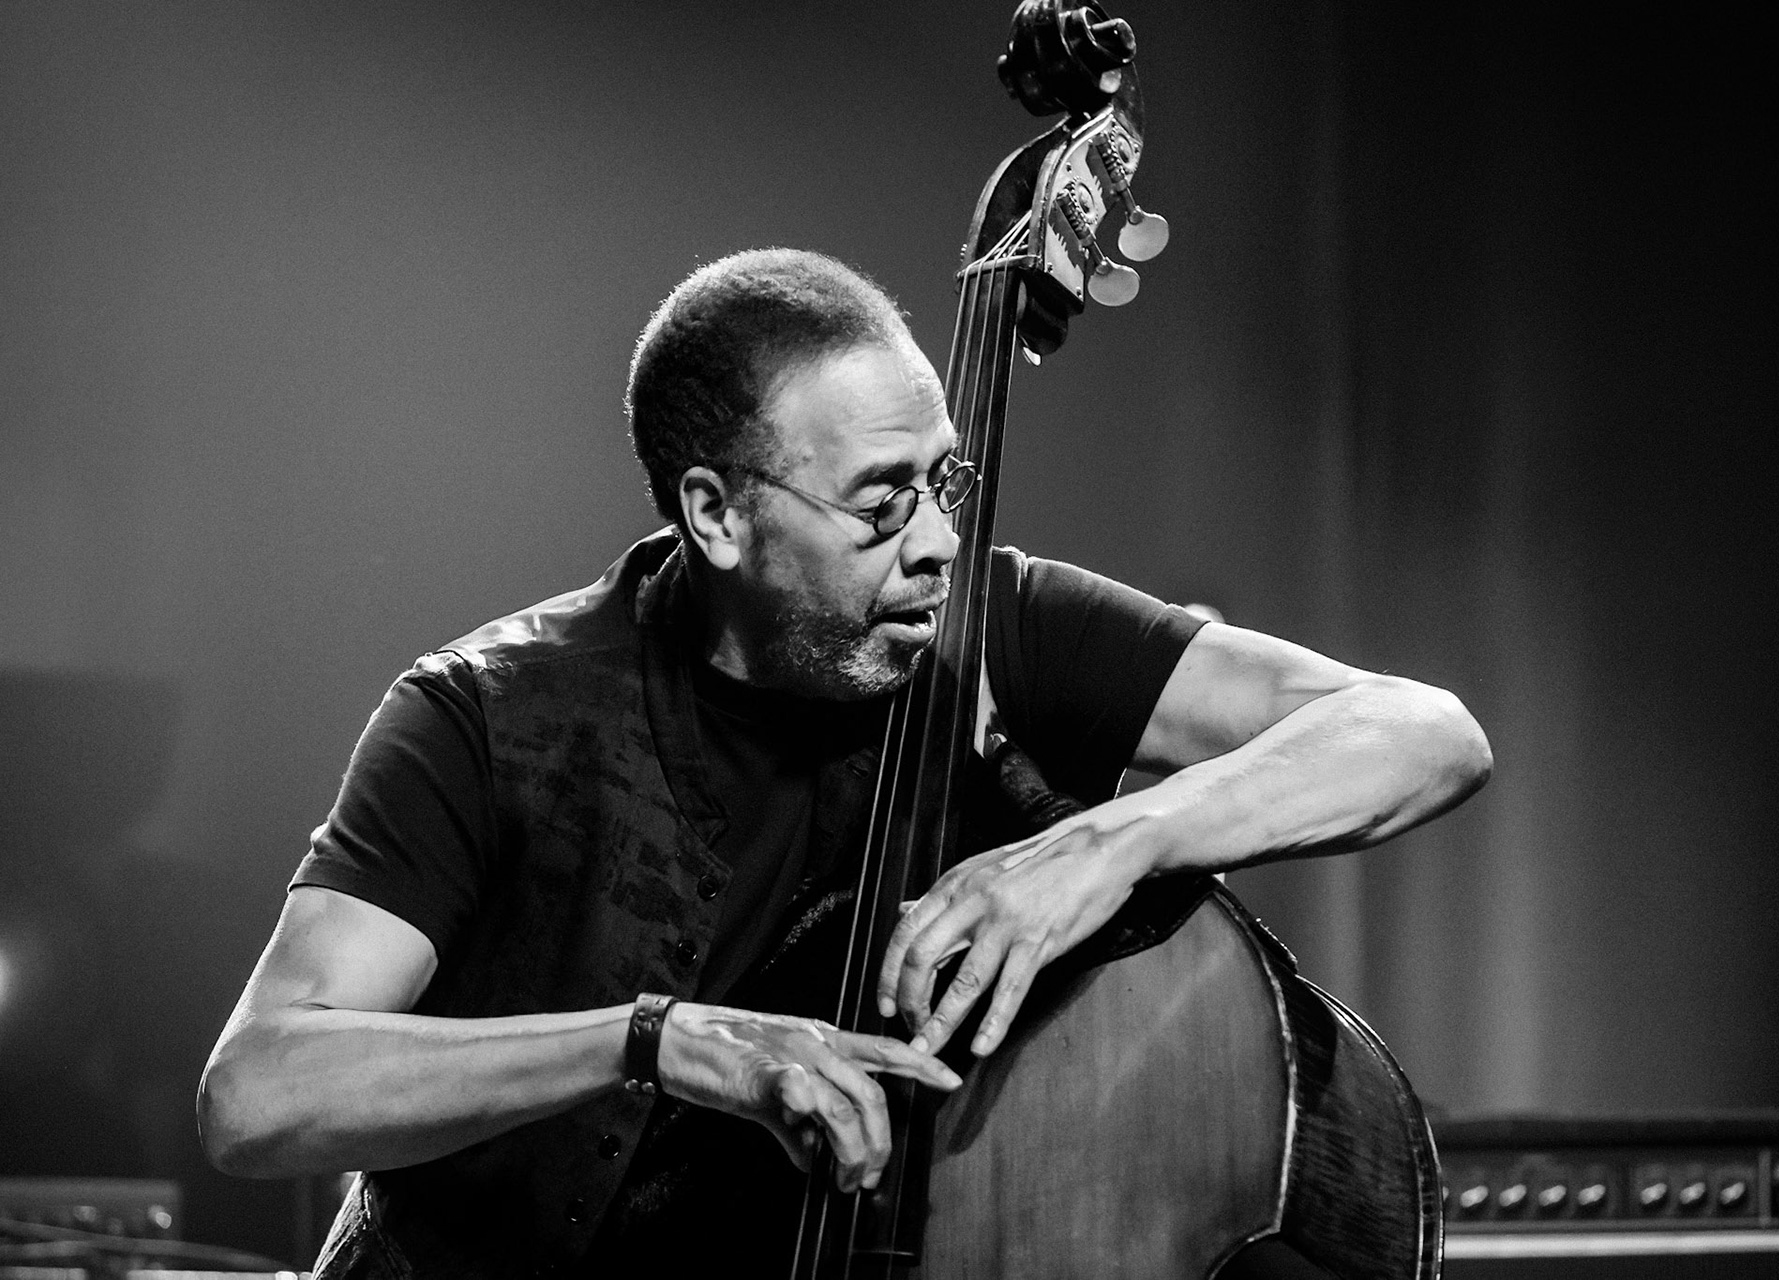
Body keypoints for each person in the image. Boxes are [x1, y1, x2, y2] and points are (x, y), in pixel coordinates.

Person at [198, 248, 1490, 1276]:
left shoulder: (996, 631)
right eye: (881, 506)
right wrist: (654, 1043)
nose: (935, 543)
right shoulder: (483, 714)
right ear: (715, 514)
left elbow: (1422, 735)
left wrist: (1111, 842)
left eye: (948, 485)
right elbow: (258, 1090)